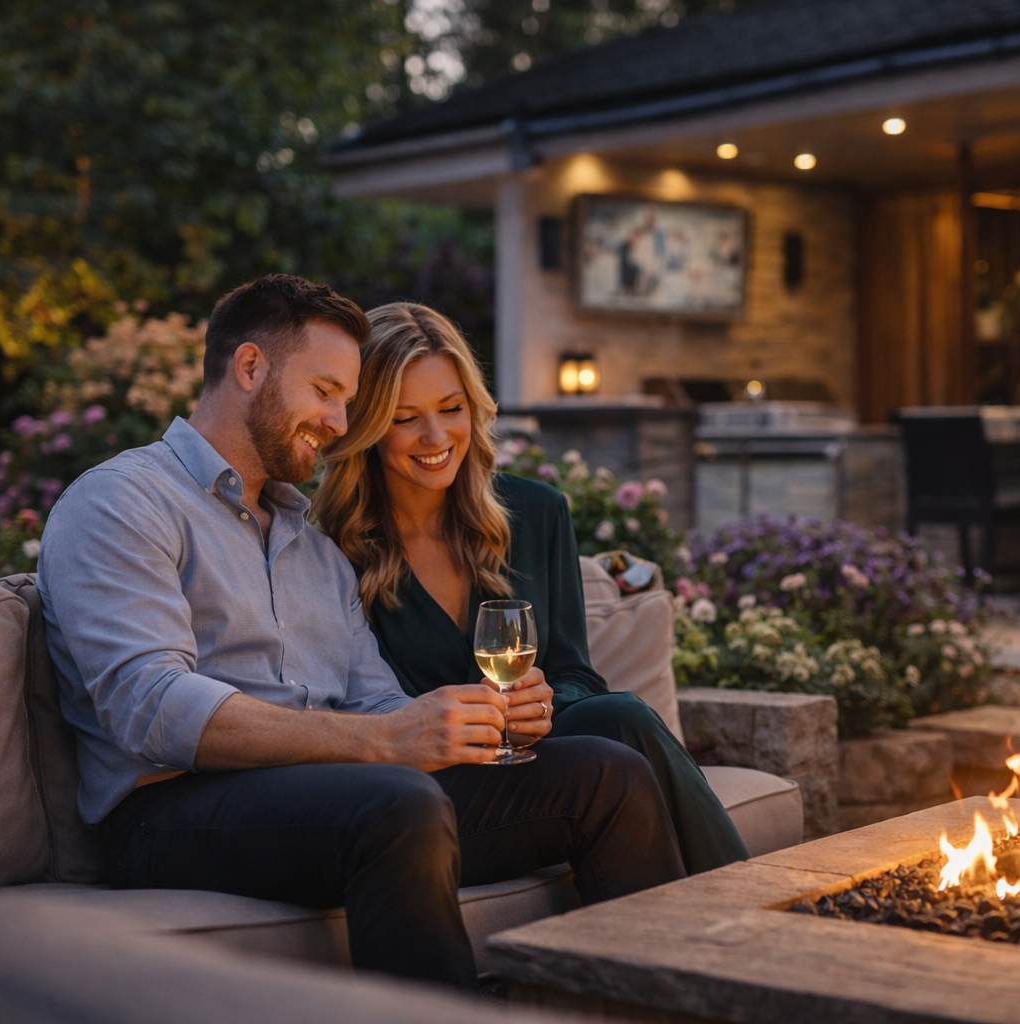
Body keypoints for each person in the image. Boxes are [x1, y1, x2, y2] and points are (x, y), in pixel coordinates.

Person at [37, 275, 685, 992]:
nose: (343, 424)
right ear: (250, 369)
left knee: (607, 774)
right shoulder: (123, 502)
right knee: (397, 803)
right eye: (326, 392)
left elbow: (376, 700)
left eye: (348, 401)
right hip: (168, 813)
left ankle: (685, 1006)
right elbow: (150, 705)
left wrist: (474, 719)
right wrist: (382, 743)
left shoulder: (311, 548)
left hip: (334, 794)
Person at [313, 302, 748, 875]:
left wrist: (542, 704)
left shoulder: (536, 513)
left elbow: (576, 675)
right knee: (620, 729)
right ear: (367, 426)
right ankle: (745, 909)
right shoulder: (330, 550)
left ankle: (739, 901)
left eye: (452, 407)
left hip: (540, 756)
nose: (436, 436)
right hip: (433, 786)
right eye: (404, 417)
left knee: (621, 717)